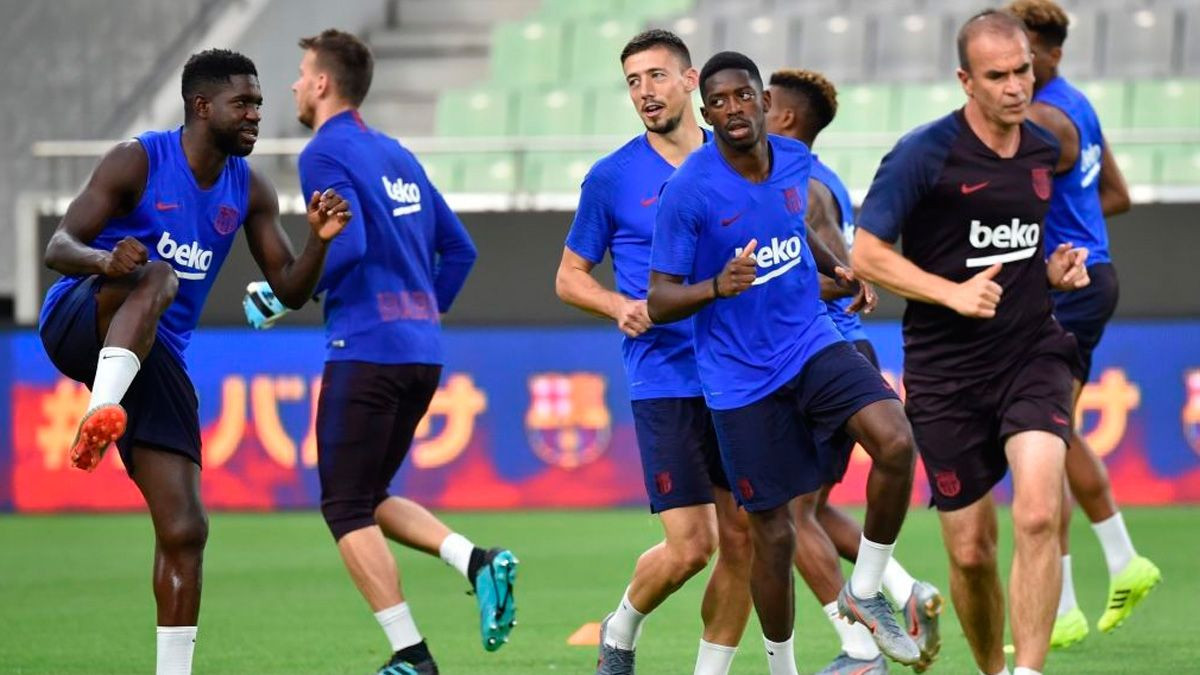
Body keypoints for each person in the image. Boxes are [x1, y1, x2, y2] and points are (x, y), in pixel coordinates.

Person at [39, 49, 351, 675]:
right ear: (201, 107)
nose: (257, 114)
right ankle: (99, 410)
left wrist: (318, 242)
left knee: (186, 528)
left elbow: (289, 289)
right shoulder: (138, 160)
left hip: (155, 355)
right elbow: (58, 245)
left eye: (260, 102)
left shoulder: (249, 187)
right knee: (160, 275)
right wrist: (104, 262)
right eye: (245, 103)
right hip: (79, 318)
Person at [648, 51, 922, 674]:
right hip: (740, 381)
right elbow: (660, 299)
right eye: (716, 102)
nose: (732, 110)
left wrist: (837, 268)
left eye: (742, 96)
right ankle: (782, 666)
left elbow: (796, 225)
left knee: (896, 441)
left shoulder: (797, 162)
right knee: (772, 534)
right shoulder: (688, 191)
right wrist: (717, 286)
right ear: (705, 112)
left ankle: (866, 589)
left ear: (764, 103)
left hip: (812, 342)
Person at [851, 11, 1090, 675]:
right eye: (998, 76)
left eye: (1024, 70)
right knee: (972, 550)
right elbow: (866, 253)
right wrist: (949, 291)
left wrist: (1052, 271)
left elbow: (1024, 249)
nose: (1017, 86)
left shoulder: (1045, 146)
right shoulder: (923, 154)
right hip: (946, 373)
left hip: (1033, 352)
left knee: (1039, 512)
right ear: (966, 81)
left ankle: (1028, 670)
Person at [273, 29, 511, 675]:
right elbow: (460, 249)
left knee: (344, 505)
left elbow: (342, 247)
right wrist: (420, 312)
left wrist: (286, 291)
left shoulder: (323, 153)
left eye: (300, 73)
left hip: (366, 348)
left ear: (323, 83)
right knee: (370, 492)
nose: (294, 84)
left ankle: (412, 655)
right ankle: (475, 560)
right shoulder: (397, 152)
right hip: (420, 352)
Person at [554, 29, 753, 675]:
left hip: (741, 372)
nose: (645, 92)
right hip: (664, 375)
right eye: (634, 81)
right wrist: (618, 305)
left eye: (657, 76)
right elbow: (569, 275)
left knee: (743, 538)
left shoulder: (738, 160)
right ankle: (624, 622)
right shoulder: (611, 177)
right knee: (692, 546)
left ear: (692, 82)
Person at [766, 67, 944, 675]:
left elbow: (839, 281)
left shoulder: (800, 187)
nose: (745, 114)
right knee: (811, 510)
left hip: (823, 357)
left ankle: (861, 651)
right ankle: (905, 590)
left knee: (791, 516)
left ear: (785, 118)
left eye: (760, 103)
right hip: (842, 354)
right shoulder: (824, 181)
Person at [1008, 0, 1162, 649]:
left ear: (1051, 53)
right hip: (1090, 276)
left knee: (1041, 436)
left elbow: (1005, 196)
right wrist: (1075, 220)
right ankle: (1115, 564)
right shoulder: (1078, 104)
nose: (1014, 69)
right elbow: (1116, 194)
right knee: (1056, 432)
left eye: (1024, 55)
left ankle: (1074, 595)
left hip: (1067, 286)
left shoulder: (1043, 119)